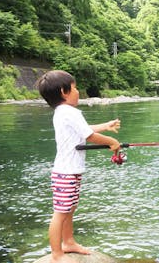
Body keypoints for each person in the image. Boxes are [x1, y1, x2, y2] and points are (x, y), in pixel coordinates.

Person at [36, 70, 121, 263]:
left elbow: (84, 130)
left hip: (69, 171)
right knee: (60, 213)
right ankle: (57, 254)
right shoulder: (70, 112)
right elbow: (89, 136)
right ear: (63, 91)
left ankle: (68, 242)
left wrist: (106, 126)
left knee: (70, 208)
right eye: (74, 88)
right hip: (66, 172)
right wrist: (111, 141)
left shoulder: (63, 112)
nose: (78, 92)